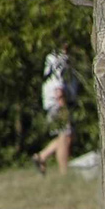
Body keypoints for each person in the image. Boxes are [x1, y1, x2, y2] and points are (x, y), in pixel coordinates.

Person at [33, 43, 78, 176]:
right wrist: (63, 105)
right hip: (58, 102)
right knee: (65, 136)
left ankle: (41, 156)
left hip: (56, 102)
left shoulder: (56, 57)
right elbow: (58, 86)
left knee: (68, 136)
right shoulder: (58, 59)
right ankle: (64, 173)